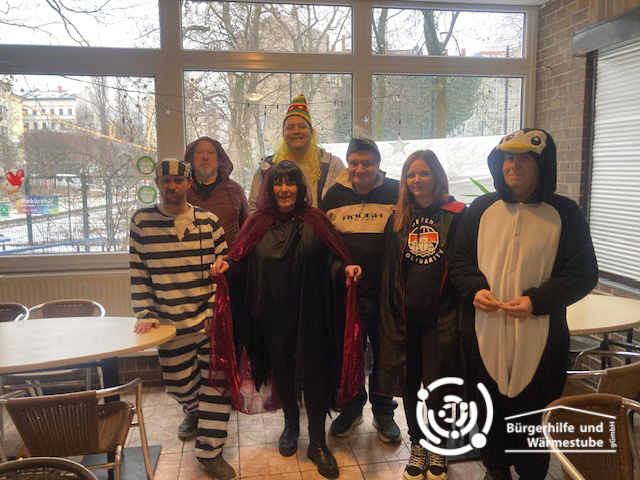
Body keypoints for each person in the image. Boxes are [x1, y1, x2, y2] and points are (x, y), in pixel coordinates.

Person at [448, 129, 598, 480]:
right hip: (485, 330)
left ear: (542, 164)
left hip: (541, 333)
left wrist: (537, 300)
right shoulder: (481, 209)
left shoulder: (565, 213)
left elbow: (583, 273)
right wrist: (474, 289)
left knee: (535, 409)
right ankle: (495, 468)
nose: (513, 165)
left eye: (524, 158)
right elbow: (459, 261)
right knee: (488, 405)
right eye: (507, 158)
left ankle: (532, 471)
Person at [211, 161, 362, 479]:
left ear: (300, 187)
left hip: (312, 314)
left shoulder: (316, 220)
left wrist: (345, 270)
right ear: (269, 188)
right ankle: (291, 425)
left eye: (290, 182)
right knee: (283, 373)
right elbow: (242, 262)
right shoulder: (256, 224)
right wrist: (228, 267)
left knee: (315, 377)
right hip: (271, 316)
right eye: (277, 183)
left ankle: (317, 443)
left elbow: (332, 260)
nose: (284, 189)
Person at [129, 158, 235, 480]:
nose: (172, 186)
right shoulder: (142, 222)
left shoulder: (209, 222)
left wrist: (212, 311)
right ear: (157, 184)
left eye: (178, 180)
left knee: (216, 386)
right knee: (179, 386)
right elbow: (139, 272)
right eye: (166, 181)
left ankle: (209, 452)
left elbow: (223, 275)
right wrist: (145, 313)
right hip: (168, 326)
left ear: (189, 183)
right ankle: (195, 412)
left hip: (206, 323)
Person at [375, 150, 466, 480]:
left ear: (437, 176)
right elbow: (389, 270)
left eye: (424, 173)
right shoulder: (399, 218)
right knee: (411, 385)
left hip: (441, 319)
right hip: (405, 319)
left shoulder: (458, 215)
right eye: (411, 174)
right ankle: (418, 443)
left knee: (439, 386)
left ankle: (439, 445)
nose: (417, 180)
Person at [320, 136, 401, 443]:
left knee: (385, 354)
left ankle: (383, 411)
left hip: (386, 292)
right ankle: (352, 408)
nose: (360, 169)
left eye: (367, 163)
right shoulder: (334, 195)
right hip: (347, 293)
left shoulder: (396, 191)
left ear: (378, 164)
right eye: (354, 163)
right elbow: (325, 244)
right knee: (350, 355)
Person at [248, 93, 344, 213]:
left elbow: (344, 205)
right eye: (290, 127)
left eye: (302, 126)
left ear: (312, 132)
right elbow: (254, 209)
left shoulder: (333, 166)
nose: (296, 131)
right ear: (283, 134)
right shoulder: (267, 168)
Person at [184, 136, 248, 246]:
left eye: (210, 152)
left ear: (219, 160)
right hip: (191, 255)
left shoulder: (235, 190)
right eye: (199, 152)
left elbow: (246, 228)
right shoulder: (183, 191)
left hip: (229, 256)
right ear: (191, 159)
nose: (205, 157)